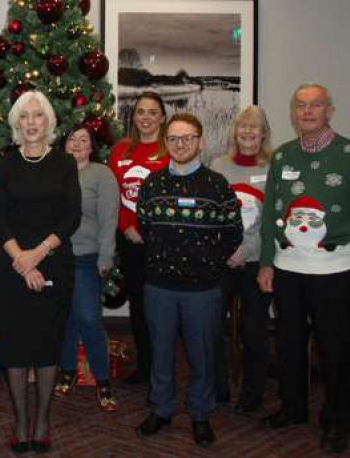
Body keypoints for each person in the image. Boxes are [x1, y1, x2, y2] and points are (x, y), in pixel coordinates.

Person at [257, 84, 350, 453]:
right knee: (290, 343)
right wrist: (268, 260)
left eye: (315, 105)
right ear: (293, 112)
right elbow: (270, 215)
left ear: (329, 111)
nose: (307, 111)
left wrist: (348, 238)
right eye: (300, 105)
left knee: (333, 348)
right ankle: (294, 407)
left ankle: (337, 418)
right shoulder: (283, 156)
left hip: (333, 271)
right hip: (288, 270)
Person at [133, 113, 242, 448]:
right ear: (166, 142)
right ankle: (161, 409)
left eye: (188, 138)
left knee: (202, 355)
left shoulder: (217, 185)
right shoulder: (152, 184)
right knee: (161, 353)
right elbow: (145, 227)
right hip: (160, 286)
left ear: (201, 141)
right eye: (174, 139)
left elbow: (232, 233)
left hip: (203, 288)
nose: (181, 145)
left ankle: (200, 414)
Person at [0, 91, 81, 454]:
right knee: (14, 346)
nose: (31, 123)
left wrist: (38, 255)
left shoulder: (64, 164)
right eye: (24, 117)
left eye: (37, 116)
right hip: (14, 265)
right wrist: (21, 259)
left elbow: (70, 217)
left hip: (53, 260)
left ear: (48, 122)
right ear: (16, 124)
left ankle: (42, 420)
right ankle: (19, 422)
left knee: (46, 344)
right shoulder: (7, 164)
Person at [209, 106, 274, 413]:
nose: (248, 133)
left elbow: (272, 222)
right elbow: (210, 215)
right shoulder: (218, 166)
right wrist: (225, 251)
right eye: (242, 128)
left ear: (263, 134)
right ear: (235, 132)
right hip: (221, 261)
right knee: (210, 326)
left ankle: (252, 393)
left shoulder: (274, 169)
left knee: (253, 330)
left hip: (256, 262)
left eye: (254, 128)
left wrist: (244, 252)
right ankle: (219, 387)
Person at [54, 126, 120, 412]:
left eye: (84, 140)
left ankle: (102, 380)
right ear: (64, 145)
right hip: (56, 258)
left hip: (86, 257)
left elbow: (109, 218)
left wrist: (105, 257)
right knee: (65, 318)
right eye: (72, 139)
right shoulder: (53, 172)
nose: (78, 144)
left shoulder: (101, 175)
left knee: (89, 319)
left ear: (92, 147)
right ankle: (67, 372)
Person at [107, 91, 168, 386]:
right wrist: (126, 225)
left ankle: (163, 368)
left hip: (162, 243)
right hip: (129, 239)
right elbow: (113, 195)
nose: (145, 117)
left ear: (162, 117)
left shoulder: (170, 149)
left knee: (163, 306)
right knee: (139, 305)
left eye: (152, 112)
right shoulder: (120, 150)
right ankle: (145, 367)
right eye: (141, 112)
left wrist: (149, 229)